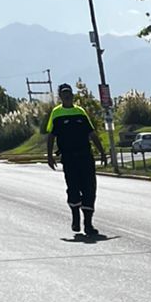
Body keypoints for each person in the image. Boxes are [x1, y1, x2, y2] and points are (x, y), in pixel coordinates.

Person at [45, 83, 106, 237]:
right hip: (69, 158)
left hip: (85, 157)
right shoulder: (56, 113)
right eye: (64, 93)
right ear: (60, 96)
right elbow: (51, 135)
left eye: (69, 93)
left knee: (89, 189)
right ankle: (76, 217)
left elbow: (91, 133)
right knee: (73, 188)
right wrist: (50, 156)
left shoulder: (80, 112)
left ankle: (88, 224)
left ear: (72, 95)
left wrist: (102, 152)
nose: (67, 96)